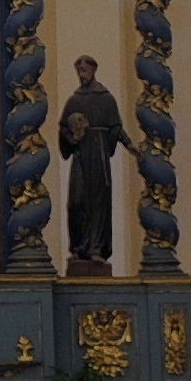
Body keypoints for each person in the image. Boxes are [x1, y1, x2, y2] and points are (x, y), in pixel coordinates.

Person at [56, 52, 126, 273]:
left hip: (99, 155)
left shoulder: (106, 99)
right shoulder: (74, 100)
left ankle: (96, 248)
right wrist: (72, 138)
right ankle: (78, 247)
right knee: (76, 202)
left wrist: (126, 144)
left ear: (93, 70)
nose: (81, 75)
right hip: (81, 158)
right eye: (78, 71)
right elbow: (63, 129)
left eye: (84, 70)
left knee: (98, 204)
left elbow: (115, 127)